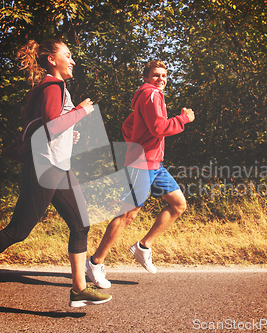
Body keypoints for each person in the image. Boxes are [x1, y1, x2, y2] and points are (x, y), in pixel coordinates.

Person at [0, 39, 112, 308]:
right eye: (67, 56)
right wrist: (81, 111)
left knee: (80, 223)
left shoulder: (57, 87)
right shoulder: (53, 86)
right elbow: (52, 126)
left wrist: (71, 133)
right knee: (19, 229)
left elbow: (53, 126)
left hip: (59, 165)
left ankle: (79, 288)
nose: (72, 61)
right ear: (51, 60)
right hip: (44, 166)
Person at [85, 60, 195, 288]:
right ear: (146, 77)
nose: (161, 79)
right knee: (127, 215)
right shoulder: (152, 94)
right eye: (156, 75)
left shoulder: (145, 97)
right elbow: (159, 127)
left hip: (154, 164)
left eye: (164, 76)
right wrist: (183, 119)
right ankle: (95, 263)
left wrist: (137, 143)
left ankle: (143, 246)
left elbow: (128, 126)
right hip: (141, 165)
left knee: (178, 205)